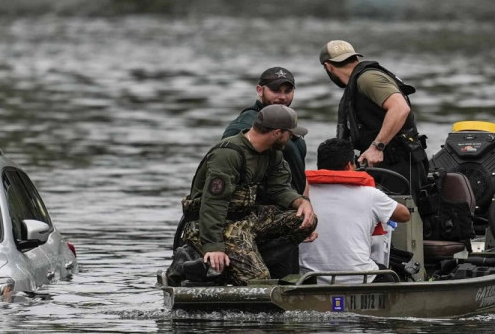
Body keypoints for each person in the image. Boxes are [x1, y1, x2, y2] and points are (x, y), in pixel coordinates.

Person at [177, 105, 317, 286]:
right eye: (290, 133)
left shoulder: (273, 153)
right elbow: (214, 203)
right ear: (277, 133)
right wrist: (214, 246)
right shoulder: (228, 154)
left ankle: (242, 261)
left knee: (305, 220)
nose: (292, 138)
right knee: (258, 280)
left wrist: (301, 202)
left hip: (245, 220)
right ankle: (194, 266)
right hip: (211, 225)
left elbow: (280, 188)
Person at [319, 39, 429, 196]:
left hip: (399, 164)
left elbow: (400, 108)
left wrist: (377, 146)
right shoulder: (356, 83)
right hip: (383, 164)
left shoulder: (367, 79)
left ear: (328, 66)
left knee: (397, 219)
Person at [299, 138, 410, 284]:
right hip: (360, 277)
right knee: (391, 273)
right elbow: (404, 215)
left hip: (311, 279)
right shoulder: (370, 194)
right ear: (349, 165)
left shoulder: (302, 196)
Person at [223, 67, 308, 196]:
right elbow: (225, 173)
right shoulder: (242, 126)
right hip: (264, 210)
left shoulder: (289, 123)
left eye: (288, 91)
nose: (282, 97)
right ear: (259, 90)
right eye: (275, 90)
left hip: (292, 204)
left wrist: (304, 201)